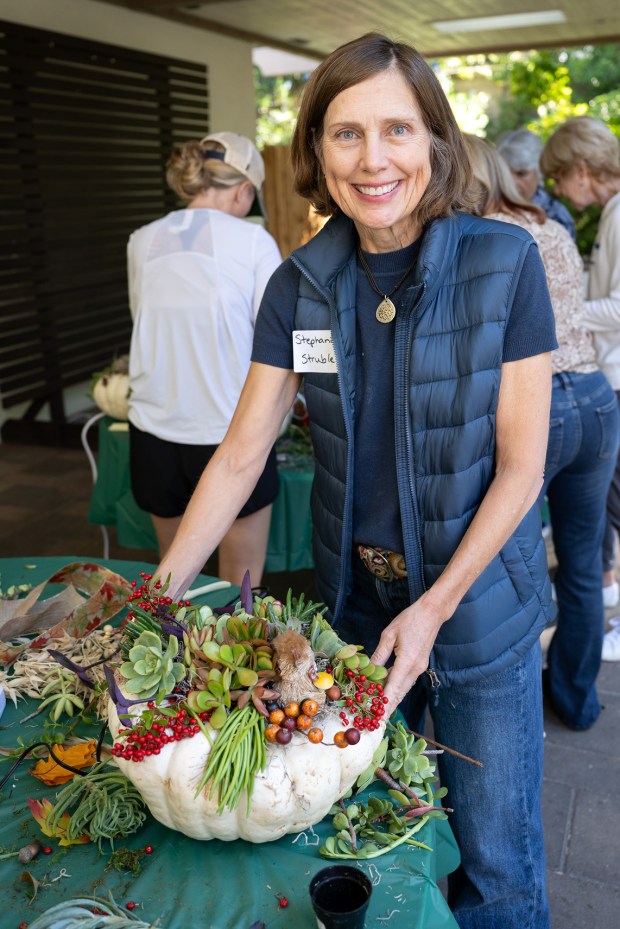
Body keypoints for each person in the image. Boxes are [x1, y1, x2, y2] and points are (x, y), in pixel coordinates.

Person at [157, 33, 557, 928]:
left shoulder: (505, 263)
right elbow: (241, 452)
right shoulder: (299, 283)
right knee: (369, 836)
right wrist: (161, 592)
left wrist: (438, 605)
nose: (372, 160)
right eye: (346, 134)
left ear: (436, 144)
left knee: (496, 861)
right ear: (315, 152)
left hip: (477, 605)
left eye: (397, 132)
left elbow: (524, 464)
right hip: (357, 615)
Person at [464, 133, 619, 728]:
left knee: (518, 563)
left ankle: (516, 706)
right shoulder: (549, 225)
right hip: (597, 400)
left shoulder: (484, 239)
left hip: (537, 409)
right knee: (583, 563)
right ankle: (578, 701)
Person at [126, 131, 282, 584]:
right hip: (232, 433)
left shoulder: (141, 240)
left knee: (173, 580)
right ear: (243, 190)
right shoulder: (254, 242)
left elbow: (143, 319)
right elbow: (274, 341)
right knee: (241, 588)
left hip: (153, 432)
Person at [541, 116, 620, 658]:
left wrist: (560, 310)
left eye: (558, 179)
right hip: (601, 382)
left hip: (609, 375)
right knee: (590, 539)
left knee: (601, 526)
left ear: (582, 169)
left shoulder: (618, 212)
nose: (557, 191)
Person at [498, 128, 576, 240]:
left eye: (521, 173)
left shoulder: (556, 215)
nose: (512, 182)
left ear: (539, 171)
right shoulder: (490, 208)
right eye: (505, 174)